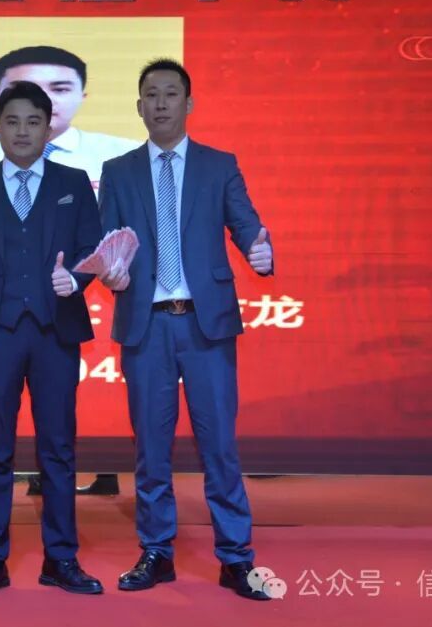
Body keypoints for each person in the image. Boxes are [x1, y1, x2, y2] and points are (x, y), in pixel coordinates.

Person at [97, 59, 275, 601]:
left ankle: (236, 557)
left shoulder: (219, 165)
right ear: (138, 106)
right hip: (146, 324)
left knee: (218, 445)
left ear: (189, 103)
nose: (160, 103)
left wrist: (260, 250)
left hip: (205, 324)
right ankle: (157, 552)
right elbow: (106, 243)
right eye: (151, 95)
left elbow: (246, 224)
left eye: (170, 94)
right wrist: (109, 270)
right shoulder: (118, 171)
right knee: (151, 448)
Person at [0, 81, 104, 598]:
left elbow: (92, 248)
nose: (23, 131)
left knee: (58, 448)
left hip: (56, 331)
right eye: (12, 122)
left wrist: (75, 278)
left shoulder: (74, 182)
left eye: (33, 121)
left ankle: (61, 558)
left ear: (48, 128)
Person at [0, 45, 138, 227]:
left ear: (82, 96)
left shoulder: (125, 157)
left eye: (60, 89)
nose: (42, 99)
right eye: (24, 89)